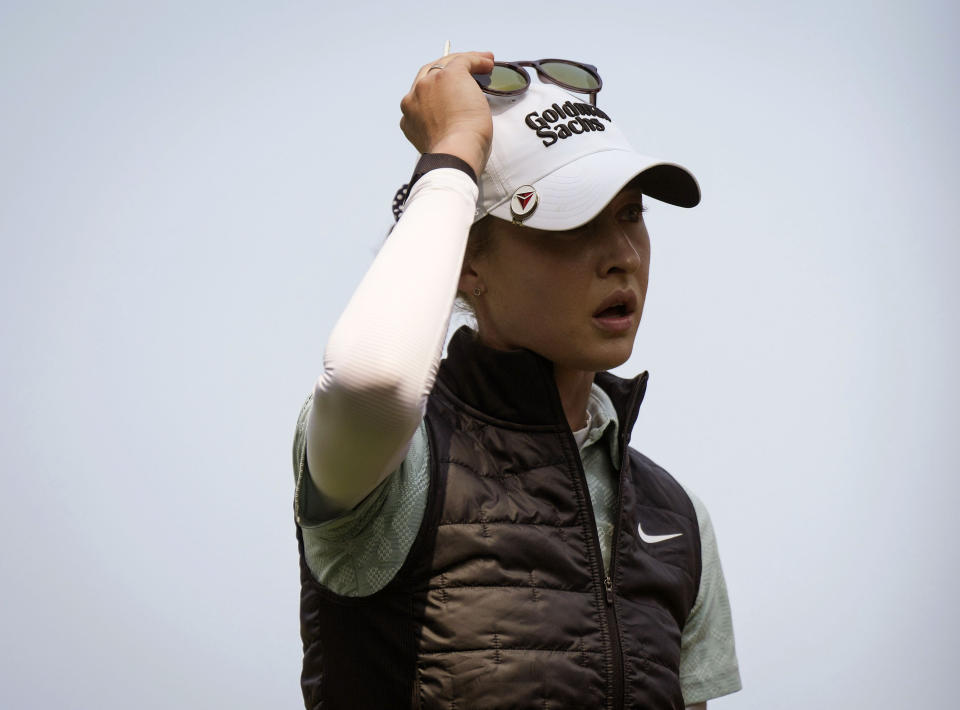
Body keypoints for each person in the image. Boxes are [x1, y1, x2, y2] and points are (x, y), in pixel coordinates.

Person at [291, 50, 741, 710]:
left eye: (631, 214)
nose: (621, 256)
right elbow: (372, 378)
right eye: (576, 222)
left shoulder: (676, 517)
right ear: (468, 261)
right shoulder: (399, 458)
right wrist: (454, 151)